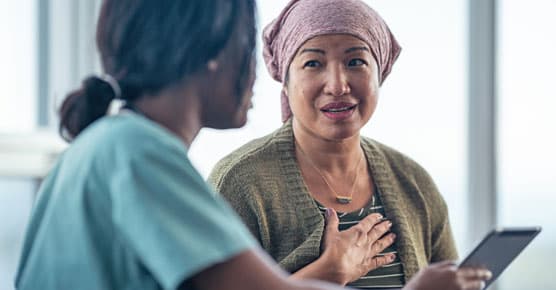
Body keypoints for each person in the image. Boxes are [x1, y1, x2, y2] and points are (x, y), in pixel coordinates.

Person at [208, 0, 491, 289]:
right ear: (285, 80)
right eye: (313, 63)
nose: (337, 85)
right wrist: (327, 274)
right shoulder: (241, 182)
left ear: (379, 73)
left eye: (355, 61)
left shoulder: (413, 182)